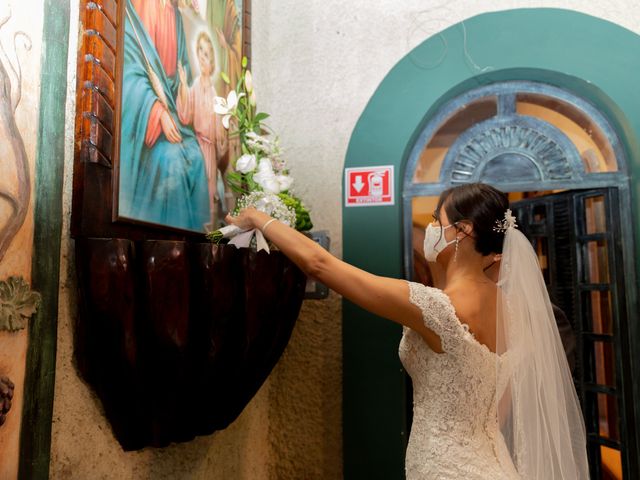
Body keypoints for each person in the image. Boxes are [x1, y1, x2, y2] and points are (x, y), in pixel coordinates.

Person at [226, 182, 589, 479]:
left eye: (437, 220)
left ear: (461, 232)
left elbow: (320, 265)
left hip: (445, 470)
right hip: (494, 467)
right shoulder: (514, 313)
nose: (429, 229)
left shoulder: (436, 308)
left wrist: (259, 218)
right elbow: (498, 410)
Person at [120, 0, 210, 232]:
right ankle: (168, 249)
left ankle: (198, 244)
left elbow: (180, 75)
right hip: (146, 121)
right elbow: (129, 72)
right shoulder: (142, 5)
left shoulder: (174, 14)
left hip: (172, 116)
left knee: (197, 157)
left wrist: (181, 90)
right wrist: (158, 113)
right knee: (173, 161)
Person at [177, 30, 229, 227]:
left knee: (211, 195)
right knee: (201, 193)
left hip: (210, 151)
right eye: (200, 51)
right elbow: (185, 114)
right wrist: (183, 85)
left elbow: (219, 135)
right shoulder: (195, 86)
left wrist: (222, 135)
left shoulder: (215, 93)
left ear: (212, 61)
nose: (202, 57)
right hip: (198, 146)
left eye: (206, 54)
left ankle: (208, 235)